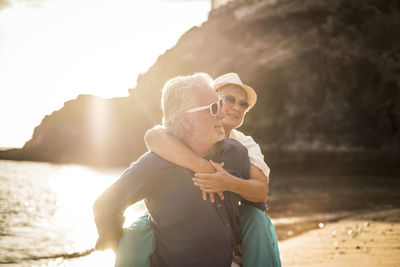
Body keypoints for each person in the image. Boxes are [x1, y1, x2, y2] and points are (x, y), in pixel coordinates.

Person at [93, 73, 252, 267]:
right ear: (185, 120)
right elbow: (105, 205)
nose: (221, 113)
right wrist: (121, 247)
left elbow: (250, 207)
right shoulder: (155, 166)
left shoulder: (236, 153)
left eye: (219, 103)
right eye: (213, 108)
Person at [144, 73, 281, 267]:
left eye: (243, 104)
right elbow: (153, 136)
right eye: (230, 100)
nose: (237, 107)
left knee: (258, 220)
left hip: (226, 215)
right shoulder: (189, 130)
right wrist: (202, 167)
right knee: (137, 232)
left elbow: (261, 191)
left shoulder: (244, 144)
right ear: (213, 101)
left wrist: (227, 182)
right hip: (179, 216)